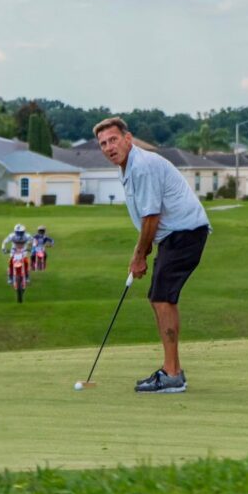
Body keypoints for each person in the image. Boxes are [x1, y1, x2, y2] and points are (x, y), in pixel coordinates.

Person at [94, 115, 211, 394]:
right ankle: (173, 371)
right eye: (103, 144)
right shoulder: (128, 168)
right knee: (159, 297)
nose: (109, 147)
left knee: (162, 298)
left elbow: (151, 218)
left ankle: (172, 375)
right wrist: (142, 252)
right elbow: (149, 221)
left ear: (128, 138)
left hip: (184, 232)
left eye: (113, 140)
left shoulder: (142, 167)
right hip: (176, 236)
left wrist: (139, 256)